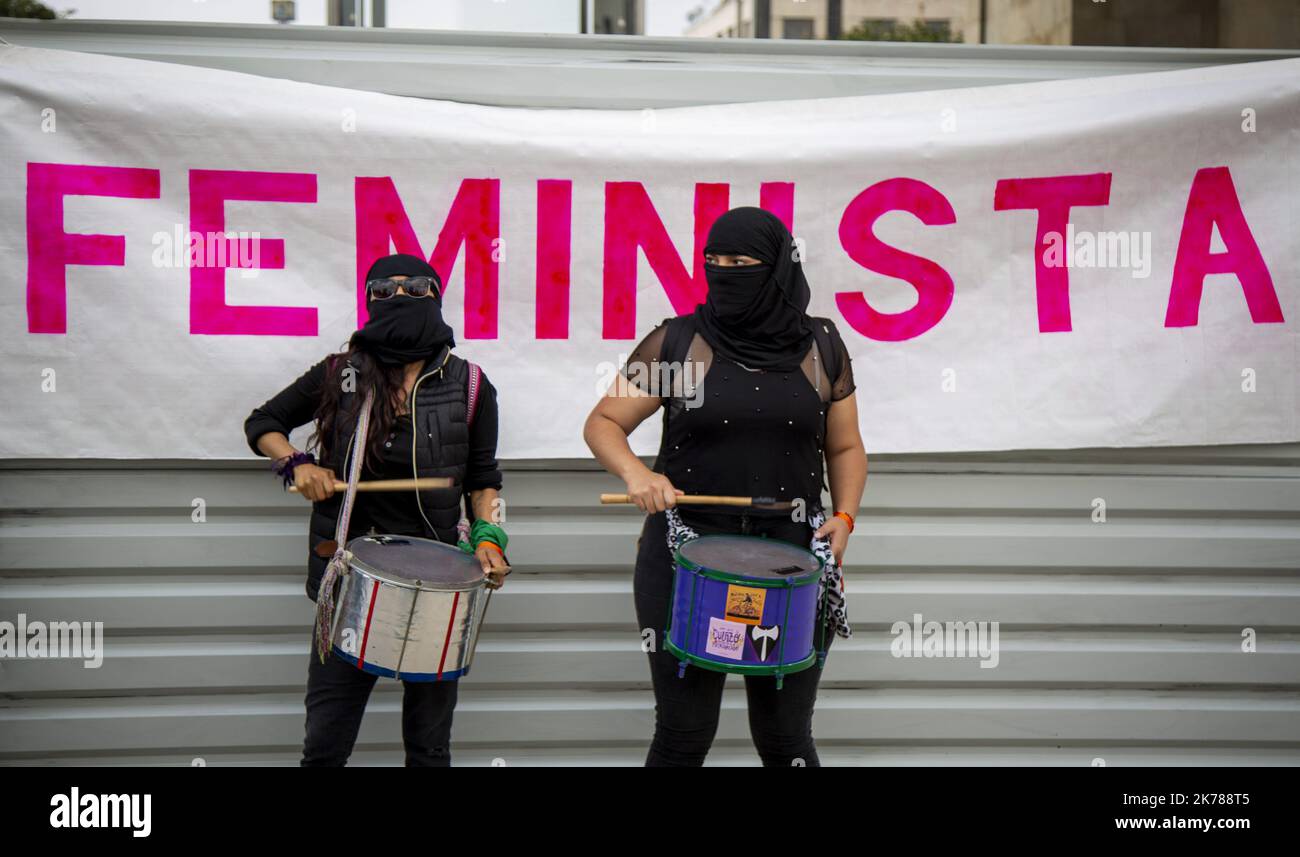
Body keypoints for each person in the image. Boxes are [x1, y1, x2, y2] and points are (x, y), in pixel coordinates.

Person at [583, 206, 868, 767]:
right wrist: (638, 474)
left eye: (740, 262)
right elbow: (603, 423)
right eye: (714, 261)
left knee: (785, 739)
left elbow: (845, 447)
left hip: (793, 563)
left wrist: (847, 516)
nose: (723, 271)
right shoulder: (678, 343)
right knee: (684, 735)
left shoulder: (822, 346)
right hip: (685, 561)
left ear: (777, 269)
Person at [244, 253, 509, 767]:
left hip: (439, 581)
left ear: (437, 296)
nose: (401, 298)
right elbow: (263, 423)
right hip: (349, 580)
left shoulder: (472, 385)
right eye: (385, 290)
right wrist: (296, 463)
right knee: (325, 745)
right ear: (368, 303)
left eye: (416, 288)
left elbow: (483, 481)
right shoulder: (340, 375)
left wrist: (489, 538)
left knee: (429, 749)